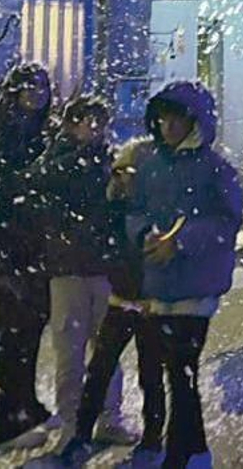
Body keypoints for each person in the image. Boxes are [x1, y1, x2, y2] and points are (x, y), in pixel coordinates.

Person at [126, 82, 243, 467]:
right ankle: (195, 448)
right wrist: (146, 234)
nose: (168, 127)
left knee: (180, 370)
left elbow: (227, 221)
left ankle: (179, 453)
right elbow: (135, 210)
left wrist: (183, 240)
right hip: (158, 284)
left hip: (196, 285)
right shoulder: (150, 164)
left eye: (177, 119)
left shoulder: (214, 168)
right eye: (163, 119)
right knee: (177, 372)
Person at [57, 129, 168, 467]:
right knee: (100, 368)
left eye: (130, 172)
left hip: (150, 304)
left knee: (151, 372)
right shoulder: (112, 208)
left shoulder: (157, 208)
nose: (123, 179)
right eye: (119, 171)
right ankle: (81, 434)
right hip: (121, 300)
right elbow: (105, 246)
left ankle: (152, 436)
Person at [39, 96, 138, 448]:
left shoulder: (110, 162)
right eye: (86, 121)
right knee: (70, 349)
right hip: (68, 269)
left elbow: (119, 209)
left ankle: (109, 416)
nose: (93, 128)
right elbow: (55, 200)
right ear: (71, 124)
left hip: (101, 268)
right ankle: (71, 422)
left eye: (99, 121)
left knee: (105, 348)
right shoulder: (57, 163)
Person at [0, 64, 55, 449]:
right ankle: (5, 416)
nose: (36, 95)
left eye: (41, 88)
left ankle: (26, 402)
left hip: (37, 247)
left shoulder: (43, 132)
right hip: (8, 249)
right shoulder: (0, 138)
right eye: (30, 88)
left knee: (31, 330)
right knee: (14, 335)